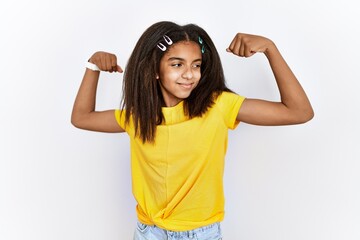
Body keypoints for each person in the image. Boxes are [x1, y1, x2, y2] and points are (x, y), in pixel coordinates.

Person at [71, 21, 314, 240]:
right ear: (155, 69)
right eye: (177, 64)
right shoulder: (139, 117)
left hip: (201, 234)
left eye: (196, 65)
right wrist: (92, 67)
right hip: (148, 232)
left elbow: (299, 112)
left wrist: (270, 49)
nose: (189, 74)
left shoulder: (218, 106)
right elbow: (81, 118)